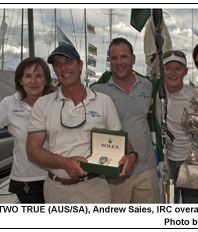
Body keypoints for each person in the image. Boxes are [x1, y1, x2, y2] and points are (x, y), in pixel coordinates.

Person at [26, 44, 136, 203]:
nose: (63, 68)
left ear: (80, 65)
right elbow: (32, 150)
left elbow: (119, 141)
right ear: (54, 71)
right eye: (57, 64)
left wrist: (131, 155)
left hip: (94, 188)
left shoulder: (103, 101)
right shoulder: (43, 104)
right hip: (55, 189)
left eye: (68, 62)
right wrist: (64, 163)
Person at [91, 37, 160, 203]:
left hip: (146, 169)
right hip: (115, 172)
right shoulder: (97, 92)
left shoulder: (147, 86)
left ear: (133, 59)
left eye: (124, 57)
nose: (119, 62)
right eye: (114, 58)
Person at [0, 57, 52, 203]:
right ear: (20, 80)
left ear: (45, 81)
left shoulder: (55, 103)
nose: (33, 81)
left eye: (38, 76)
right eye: (28, 76)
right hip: (25, 179)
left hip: (56, 176)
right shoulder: (9, 103)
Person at [155, 50, 198, 203]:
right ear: (162, 71)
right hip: (165, 162)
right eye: (168, 68)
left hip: (189, 161)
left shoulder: (194, 96)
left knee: (191, 206)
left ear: (185, 71)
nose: (172, 73)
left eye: (178, 68)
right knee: (169, 203)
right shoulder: (155, 92)